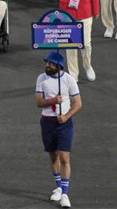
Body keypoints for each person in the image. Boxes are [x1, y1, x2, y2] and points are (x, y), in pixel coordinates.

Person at [35, 50, 82, 209]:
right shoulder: (41, 78)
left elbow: (78, 103)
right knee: (53, 156)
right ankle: (59, 186)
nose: (47, 65)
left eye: (51, 63)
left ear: (59, 66)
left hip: (64, 124)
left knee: (64, 157)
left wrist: (67, 116)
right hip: (47, 122)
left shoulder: (69, 80)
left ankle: (65, 194)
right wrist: (52, 100)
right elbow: (39, 102)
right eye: (47, 62)